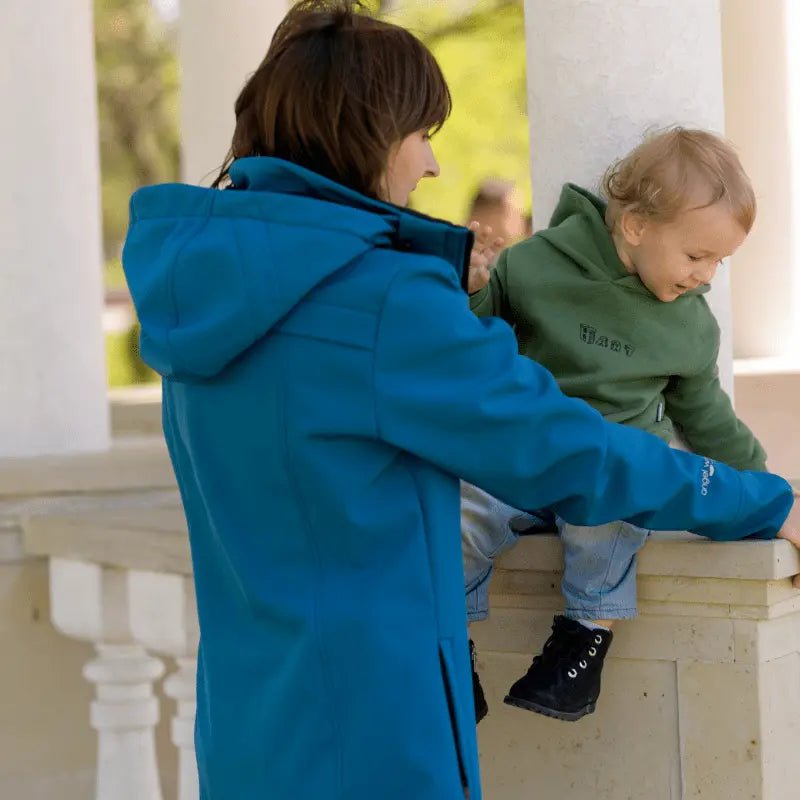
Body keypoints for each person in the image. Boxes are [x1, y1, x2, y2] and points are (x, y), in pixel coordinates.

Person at [121, 3, 799, 797]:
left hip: (246, 730)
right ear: (365, 133)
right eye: (421, 133)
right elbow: (566, 449)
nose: (433, 164)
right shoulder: (379, 301)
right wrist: (760, 499)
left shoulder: (201, 289)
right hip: (375, 738)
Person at [463, 127, 797, 726]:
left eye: (719, 262)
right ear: (637, 226)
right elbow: (478, 348)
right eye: (697, 256)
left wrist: (769, 486)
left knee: (613, 512)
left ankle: (583, 639)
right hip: (524, 458)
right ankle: (450, 649)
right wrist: (476, 290)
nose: (706, 277)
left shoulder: (690, 327)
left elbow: (709, 419)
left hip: (612, 472)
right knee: (456, 513)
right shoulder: (534, 265)